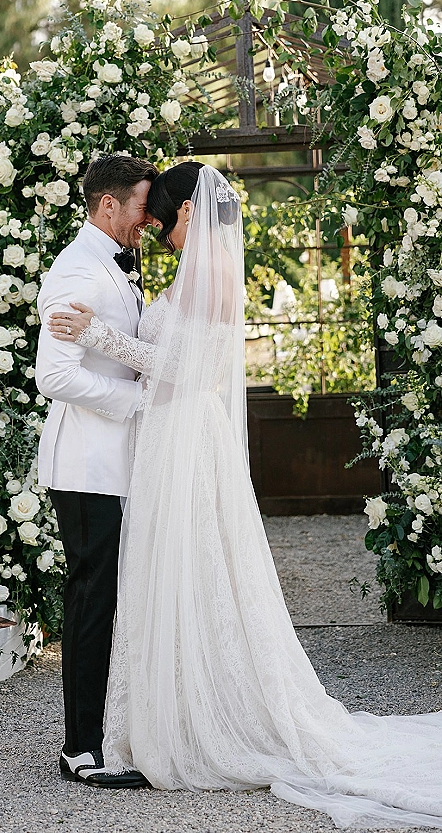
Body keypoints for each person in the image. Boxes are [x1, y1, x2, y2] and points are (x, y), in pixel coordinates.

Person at [48, 161, 442, 828]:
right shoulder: (184, 271)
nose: (152, 223)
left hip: (180, 432)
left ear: (188, 215)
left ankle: (194, 722)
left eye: (161, 212)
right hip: (166, 432)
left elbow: (188, 366)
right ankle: (164, 714)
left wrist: (98, 335)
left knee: (191, 569)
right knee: (168, 576)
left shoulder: (211, 273)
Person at [35, 154, 158, 788]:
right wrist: (139, 406)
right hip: (86, 464)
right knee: (90, 601)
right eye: (141, 205)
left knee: (107, 599)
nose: (149, 218)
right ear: (107, 205)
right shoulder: (77, 273)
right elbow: (52, 374)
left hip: (115, 466)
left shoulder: (113, 265)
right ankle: (81, 750)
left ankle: (101, 735)